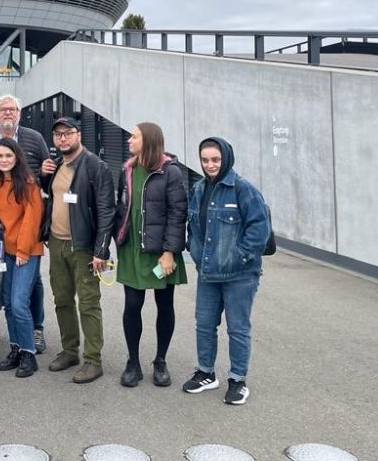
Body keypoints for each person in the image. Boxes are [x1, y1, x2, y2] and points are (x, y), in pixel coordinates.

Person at [184, 137, 270, 406]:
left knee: (238, 328)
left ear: (226, 159)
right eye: (205, 159)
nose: (210, 165)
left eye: (215, 159)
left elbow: (260, 230)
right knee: (205, 325)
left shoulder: (243, 190)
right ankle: (206, 373)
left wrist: (240, 257)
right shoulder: (198, 189)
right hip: (208, 273)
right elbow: (195, 229)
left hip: (240, 276)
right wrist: (197, 256)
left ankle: (237, 379)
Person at [40, 116, 115, 384]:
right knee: (62, 301)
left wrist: (101, 250)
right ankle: (70, 350)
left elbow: (107, 210)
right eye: (58, 134)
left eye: (68, 133)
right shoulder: (57, 165)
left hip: (84, 247)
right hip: (57, 243)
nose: (63, 138)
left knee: (88, 303)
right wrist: (42, 176)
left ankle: (93, 360)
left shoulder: (96, 166)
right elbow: (51, 200)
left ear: (78, 135)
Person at [114, 122, 188, 388]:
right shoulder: (128, 170)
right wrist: (115, 238)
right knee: (132, 305)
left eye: (134, 136)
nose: (129, 140)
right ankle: (132, 362)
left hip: (160, 252)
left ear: (149, 141)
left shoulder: (171, 172)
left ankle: (160, 361)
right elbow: (121, 207)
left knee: (164, 305)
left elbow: (178, 214)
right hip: (133, 248)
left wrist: (169, 252)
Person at [0, 94, 49, 353]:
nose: (8, 113)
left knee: (30, 281)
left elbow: (44, 172)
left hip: (25, 221)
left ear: (19, 113)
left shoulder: (34, 138)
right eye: (3, 109)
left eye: (13, 109)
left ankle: (36, 328)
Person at [0, 137, 46, 378]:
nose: (4, 160)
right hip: (5, 251)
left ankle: (29, 353)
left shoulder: (28, 183)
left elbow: (32, 219)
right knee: (9, 304)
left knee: (20, 302)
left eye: (8, 156)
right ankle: (15, 348)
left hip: (26, 251)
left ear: (16, 157)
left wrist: (23, 250)